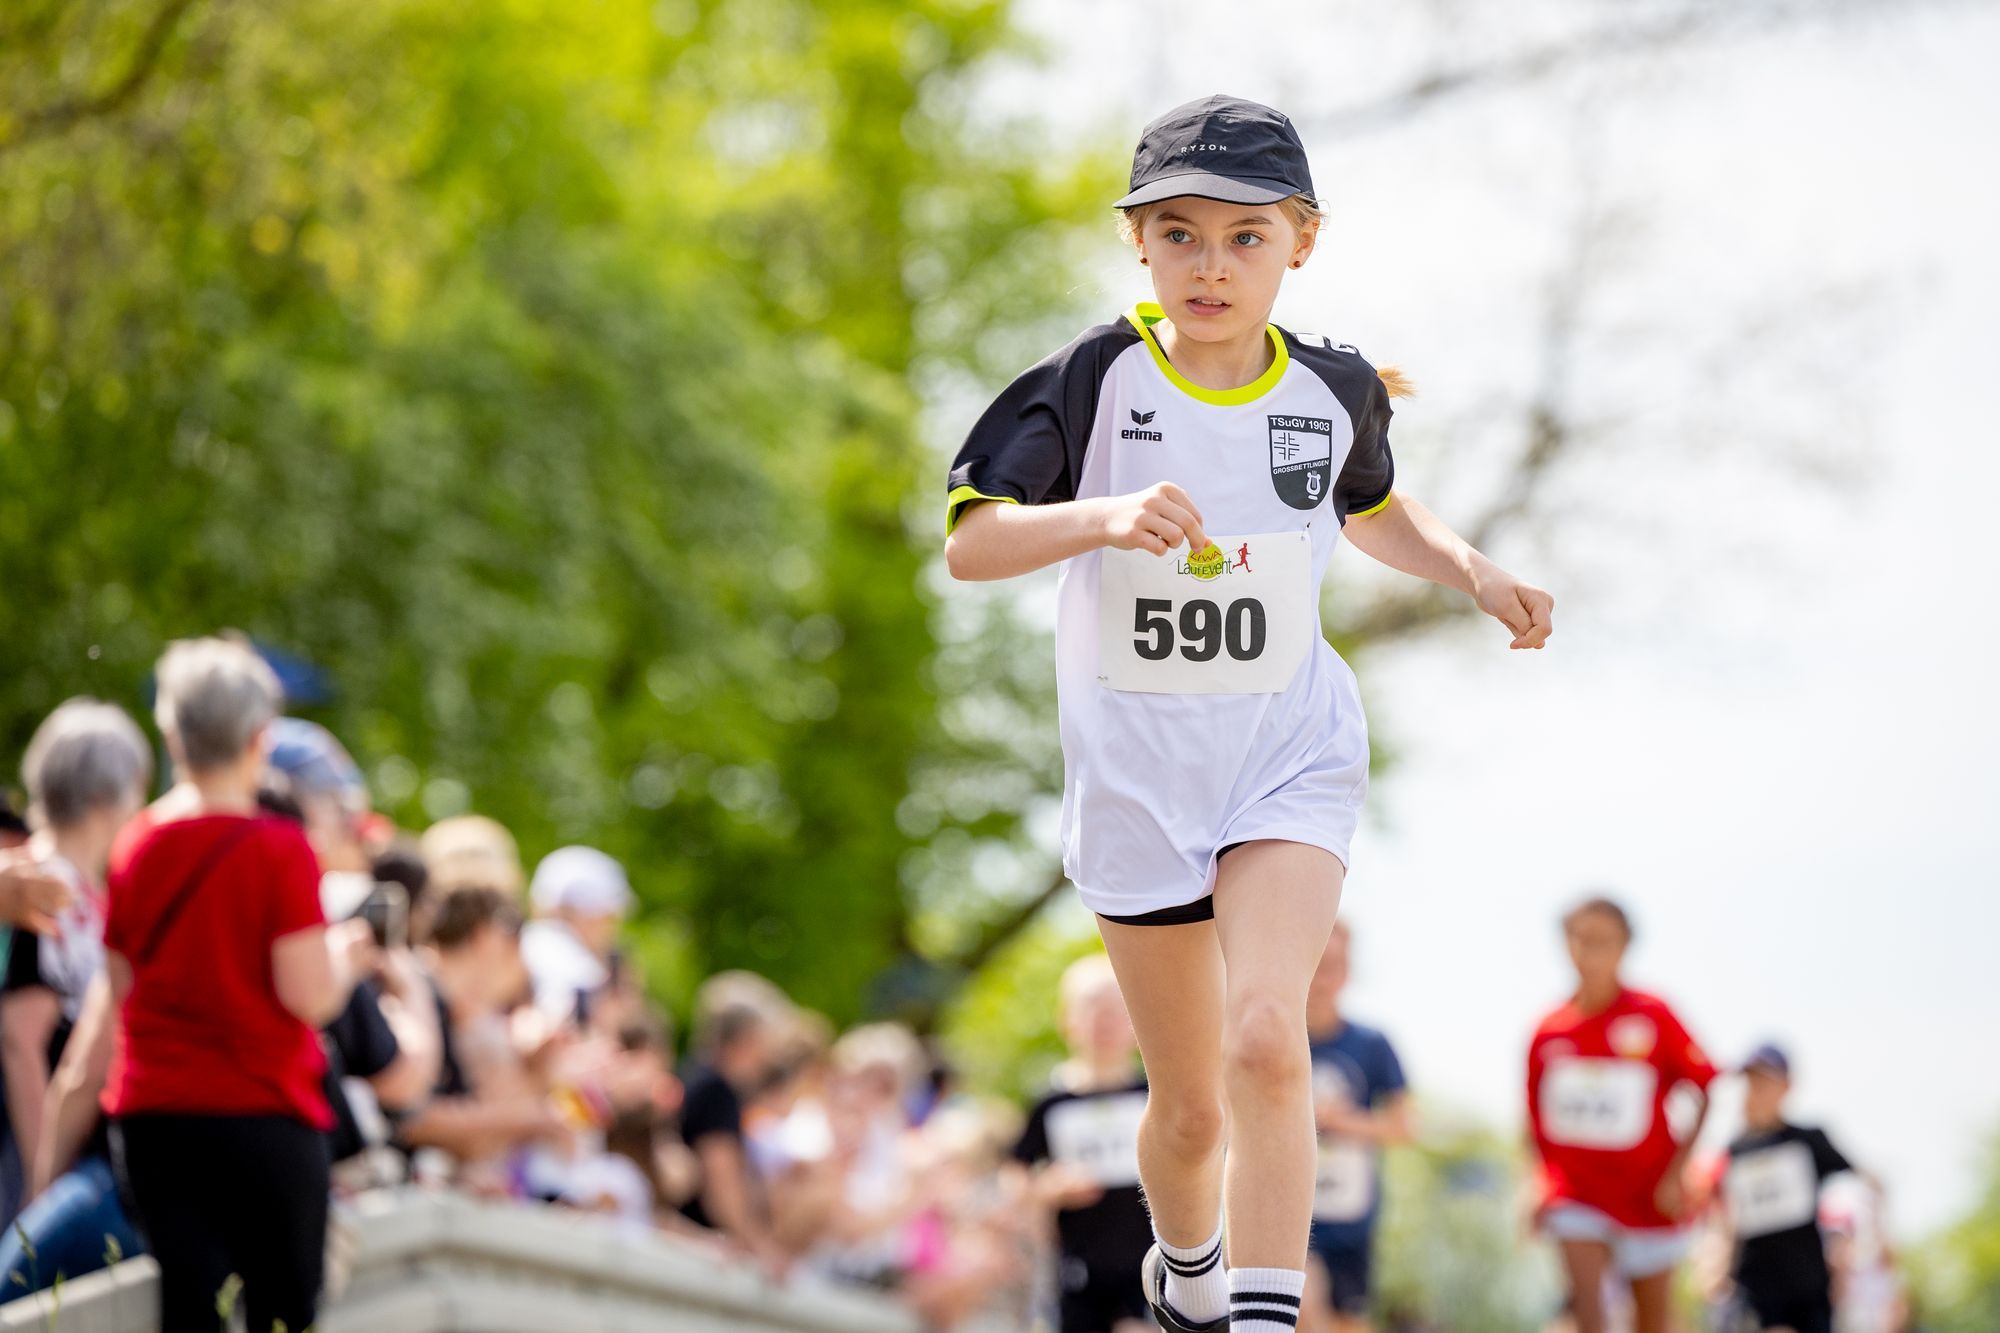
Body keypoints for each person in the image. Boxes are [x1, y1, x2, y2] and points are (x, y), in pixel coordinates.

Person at [943, 93, 1553, 1333]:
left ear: (1300, 243)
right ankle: (1189, 1275)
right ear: (1138, 243)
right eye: (1178, 234)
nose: (1209, 265)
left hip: (1284, 755)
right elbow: (973, 544)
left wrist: (1471, 567)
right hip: (1135, 788)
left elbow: (1369, 504)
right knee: (1186, 1114)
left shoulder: (1328, 387)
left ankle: (1264, 1321)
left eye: (1243, 238)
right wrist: (1102, 516)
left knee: (1271, 1034)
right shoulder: (1091, 377)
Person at [102, 637, 370, 1333]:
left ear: (173, 734)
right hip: (262, 1111)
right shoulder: (279, 848)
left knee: (191, 1312)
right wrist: (344, 954)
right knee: (281, 1313)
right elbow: (308, 994)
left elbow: (121, 984)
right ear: (261, 737)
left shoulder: (135, 842)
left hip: (156, 1118)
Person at [0, 700, 151, 1288]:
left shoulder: (77, 887)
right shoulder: (46, 887)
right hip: (26, 1147)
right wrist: (46, 1188)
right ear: (106, 796)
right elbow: (21, 1040)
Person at [1527, 897, 1717, 1333]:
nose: (1591, 952)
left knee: (1652, 1321)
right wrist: (1534, 1182)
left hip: (1649, 1197)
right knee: (1588, 1311)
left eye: (1604, 942)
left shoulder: (1654, 1015)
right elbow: (1534, 1118)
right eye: (1582, 940)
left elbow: (1706, 1086)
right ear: (1566, 944)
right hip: (1575, 1194)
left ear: (1624, 947)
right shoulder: (1548, 1031)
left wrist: (1679, 1171)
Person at [1012, 954, 1153, 1333]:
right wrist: (1047, 1189)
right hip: (1077, 1268)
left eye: (1116, 1011)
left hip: (1149, 1264)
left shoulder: (1153, 1097)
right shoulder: (1051, 1104)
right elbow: (1016, 1174)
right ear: (1068, 1020)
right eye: (1092, 1009)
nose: (1104, 1023)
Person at [1301, 922, 1411, 1333]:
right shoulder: (1270, 1038)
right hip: (1289, 1211)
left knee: (1349, 1322)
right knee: (1300, 1308)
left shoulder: (1372, 1044)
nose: (1322, 977)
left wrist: (1339, 1121)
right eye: (1314, 963)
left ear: (1347, 972)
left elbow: (1403, 1127)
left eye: (1333, 965)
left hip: (1352, 1212)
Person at [1715, 1044, 1856, 1333]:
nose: (1756, 1090)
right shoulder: (1735, 1150)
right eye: (1751, 1082)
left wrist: (1845, 1253)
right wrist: (1720, 1266)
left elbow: (1859, 1186)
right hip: (1756, 1283)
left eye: (1765, 1081)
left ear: (1786, 1086)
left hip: (1809, 1283)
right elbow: (1730, 1216)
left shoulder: (1809, 1141)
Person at [677, 997, 787, 1268]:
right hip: (698, 1245)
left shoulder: (700, 1079)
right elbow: (721, 1178)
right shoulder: (717, 1091)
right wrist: (756, 1246)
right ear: (747, 1040)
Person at [522, 845, 634, 1027]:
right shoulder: (566, 961)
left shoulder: (528, 944)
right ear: (589, 914)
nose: (613, 928)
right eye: (609, 916)